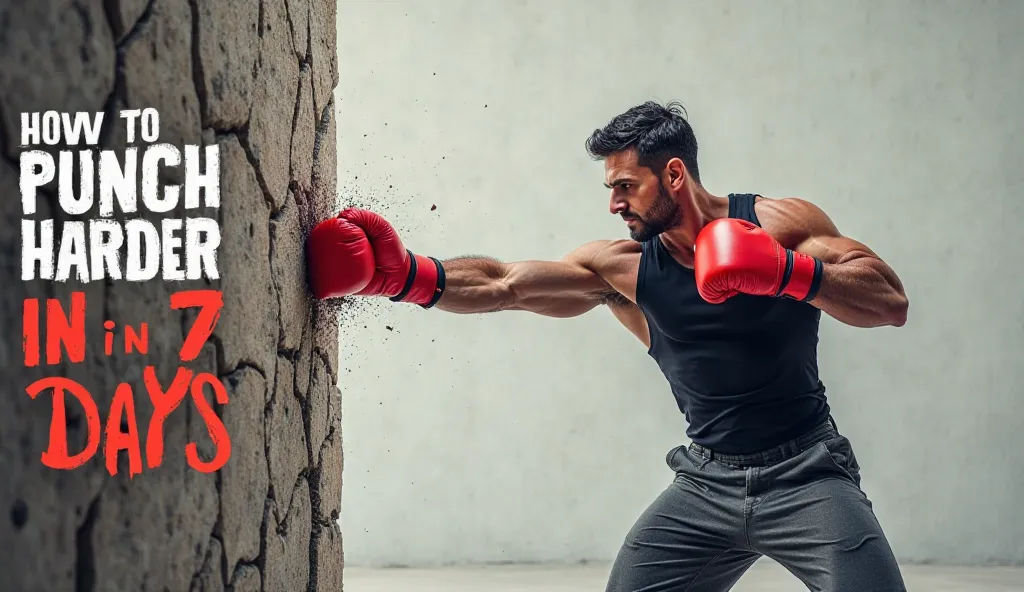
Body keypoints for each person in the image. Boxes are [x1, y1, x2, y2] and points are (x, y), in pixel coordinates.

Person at [308, 101, 910, 591]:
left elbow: (889, 302)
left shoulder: (781, 225)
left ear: (674, 174)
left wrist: (785, 273)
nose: (614, 203)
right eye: (610, 187)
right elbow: (504, 284)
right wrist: (404, 277)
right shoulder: (622, 269)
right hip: (705, 484)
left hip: (807, 474)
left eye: (626, 185)